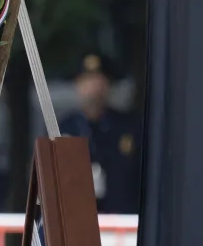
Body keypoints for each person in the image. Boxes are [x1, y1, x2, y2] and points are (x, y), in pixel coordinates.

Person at [59, 53, 142, 215]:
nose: (93, 87)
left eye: (98, 80)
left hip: (121, 220)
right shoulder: (64, 127)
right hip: (78, 219)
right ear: (78, 85)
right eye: (87, 81)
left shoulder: (128, 127)